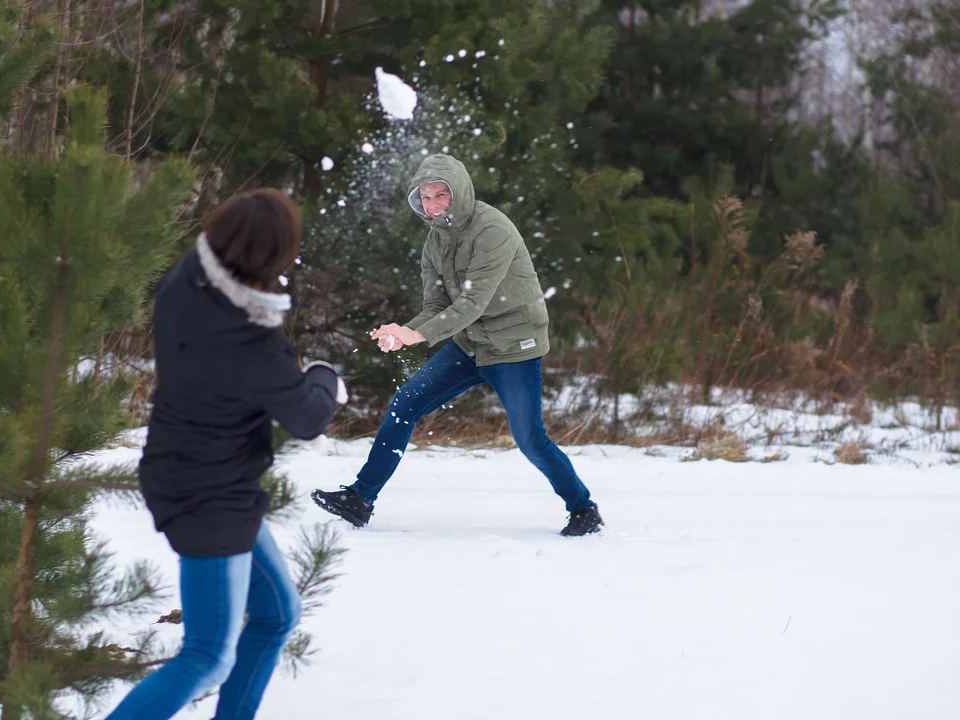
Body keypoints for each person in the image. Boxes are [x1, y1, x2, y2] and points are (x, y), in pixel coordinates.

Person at [108, 190, 348, 720]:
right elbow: (307, 418)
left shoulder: (185, 280)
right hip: (208, 498)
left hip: (197, 473)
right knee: (207, 656)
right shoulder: (251, 341)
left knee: (276, 614)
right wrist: (326, 376)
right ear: (272, 258)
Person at [311, 154, 603, 537]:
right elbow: (436, 306)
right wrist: (403, 330)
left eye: (441, 195)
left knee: (530, 439)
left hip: (514, 345)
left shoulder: (492, 230)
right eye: (425, 197)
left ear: (459, 193)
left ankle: (583, 508)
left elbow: (471, 302)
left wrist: (419, 336)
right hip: (469, 344)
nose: (433, 205)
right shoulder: (435, 243)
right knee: (405, 403)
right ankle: (360, 499)